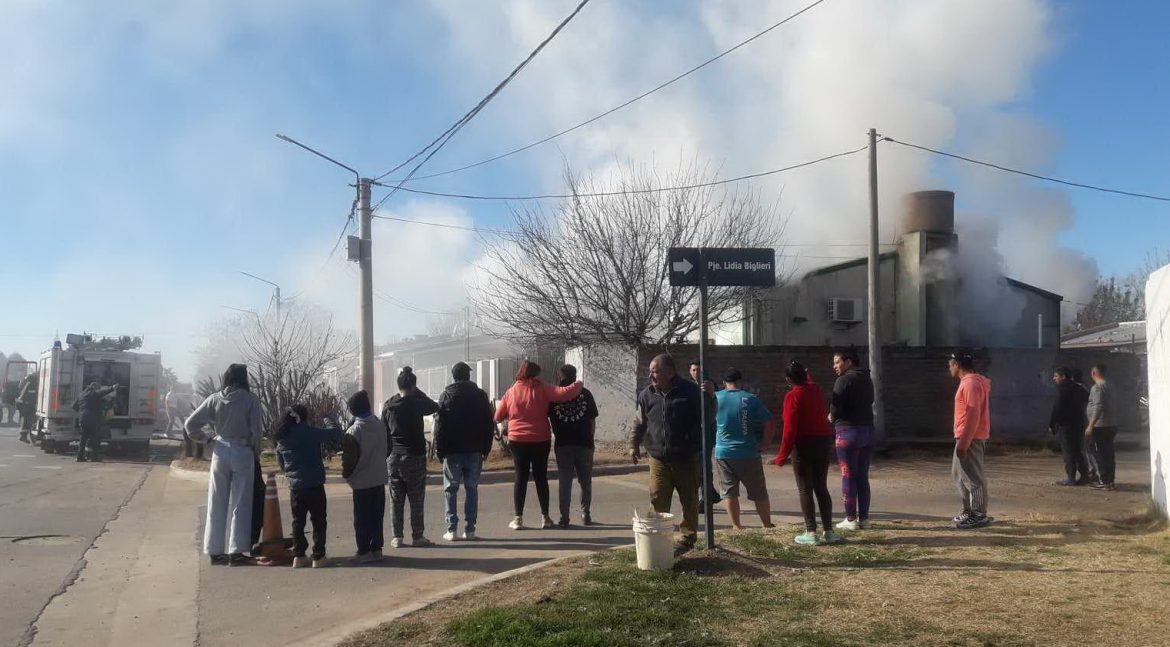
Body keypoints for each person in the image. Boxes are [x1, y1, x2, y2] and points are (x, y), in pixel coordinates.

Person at [185, 364, 263, 566]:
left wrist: (207, 439)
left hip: (220, 450)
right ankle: (236, 551)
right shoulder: (250, 400)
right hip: (242, 451)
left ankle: (214, 550)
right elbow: (256, 431)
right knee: (240, 503)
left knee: (216, 500)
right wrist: (255, 452)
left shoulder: (214, 399)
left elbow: (189, 425)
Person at [495, 360, 583, 530]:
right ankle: (545, 517)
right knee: (541, 478)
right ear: (535, 374)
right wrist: (579, 382)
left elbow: (498, 416)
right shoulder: (543, 388)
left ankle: (518, 519)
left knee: (520, 478)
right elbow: (564, 393)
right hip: (540, 439)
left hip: (517, 440)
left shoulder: (511, 391)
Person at [630, 354, 703, 554]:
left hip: (685, 457)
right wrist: (634, 445)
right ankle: (659, 537)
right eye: (651, 371)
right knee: (657, 497)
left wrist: (695, 443)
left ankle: (688, 537)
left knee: (689, 498)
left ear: (670, 372)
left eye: (655, 371)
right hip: (658, 457)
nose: (651, 375)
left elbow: (705, 418)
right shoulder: (647, 395)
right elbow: (639, 422)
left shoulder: (690, 392)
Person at [774, 361, 842, 545]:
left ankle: (811, 532)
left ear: (788, 379)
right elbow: (808, 380)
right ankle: (828, 530)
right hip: (822, 441)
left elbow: (789, 428)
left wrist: (782, 455)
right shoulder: (816, 390)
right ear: (806, 375)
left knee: (805, 488)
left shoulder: (792, 396)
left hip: (803, 443)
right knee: (821, 486)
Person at [274, 404, 343, 568]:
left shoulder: (282, 438)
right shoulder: (310, 433)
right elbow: (335, 433)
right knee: (319, 520)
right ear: (303, 417)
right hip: (314, 484)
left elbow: (281, 462)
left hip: (296, 487)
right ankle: (318, 556)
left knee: (298, 521)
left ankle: (299, 555)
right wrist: (327, 418)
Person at [434, 362, 495, 541]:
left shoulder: (446, 395)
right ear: (469, 376)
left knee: (450, 489)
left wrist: (439, 449)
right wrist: (486, 447)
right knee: (471, 488)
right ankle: (470, 529)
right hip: (475, 449)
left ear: (453, 376)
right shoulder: (480, 395)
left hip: (452, 451)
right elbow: (488, 423)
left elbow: (440, 426)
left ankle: (451, 529)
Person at [382, 367, 440, 548]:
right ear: (414, 386)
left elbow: (384, 430)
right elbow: (434, 406)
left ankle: (397, 537)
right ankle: (417, 536)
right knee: (416, 499)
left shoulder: (389, 405)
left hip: (394, 456)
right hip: (414, 456)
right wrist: (417, 391)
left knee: (395, 499)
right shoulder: (416, 404)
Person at [712, 367, 774, 530]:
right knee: (759, 492)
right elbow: (769, 421)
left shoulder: (716, 398)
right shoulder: (751, 399)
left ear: (724, 383)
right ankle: (767, 524)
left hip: (723, 452)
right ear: (740, 382)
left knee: (730, 492)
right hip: (748, 452)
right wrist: (765, 443)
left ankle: (736, 526)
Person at [829, 348, 875, 531]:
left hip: (847, 432)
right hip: (868, 432)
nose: (834, 366)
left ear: (848, 362)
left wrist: (831, 416)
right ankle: (864, 518)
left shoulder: (843, 380)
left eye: (837, 362)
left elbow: (835, 407)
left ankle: (850, 518)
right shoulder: (867, 379)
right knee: (862, 476)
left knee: (848, 475)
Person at [548, 364, 600, 528]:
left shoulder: (554, 395)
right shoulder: (585, 393)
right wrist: (591, 439)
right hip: (584, 443)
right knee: (585, 481)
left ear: (560, 375)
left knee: (565, 481)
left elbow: (548, 418)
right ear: (575, 375)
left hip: (563, 443)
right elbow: (592, 420)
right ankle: (586, 514)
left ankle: (564, 517)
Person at [342, 390, 388, 563]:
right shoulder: (380, 425)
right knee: (377, 516)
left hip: (361, 481)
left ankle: (364, 551)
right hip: (379, 478)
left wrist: (347, 476)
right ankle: (377, 548)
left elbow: (349, 460)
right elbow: (388, 448)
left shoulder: (353, 431)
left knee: (362, 518)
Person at [950, 352, 992, 529]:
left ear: (957, 364)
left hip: (971, 437)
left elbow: (973, 415)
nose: (949, 368)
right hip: (965, 436)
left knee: (974, 477)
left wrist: (964, 442)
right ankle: (968, 510)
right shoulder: (969, 383)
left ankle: (979, 513)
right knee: (959, 475)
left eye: (950, 364)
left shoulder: (971, 383)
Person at [688, 359, 721, 511]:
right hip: (692, 433)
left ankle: (705, 498)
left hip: (707, 432)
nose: (696, 373)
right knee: (698, 465)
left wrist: (712, 394)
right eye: (694, 370)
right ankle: (711, 493)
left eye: (699, 370)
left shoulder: (710, 386)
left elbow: (717, 409)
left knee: (703, 465)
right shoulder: (687, 387)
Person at [1049, 366, 1090, 486]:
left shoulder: (1061, 390)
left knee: (1068, 452)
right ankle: (1084, 475)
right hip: (1079, 423)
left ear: (1063, 377)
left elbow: (1057, 408)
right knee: (1077, 451)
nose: (1054, 378)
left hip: (1065, 425)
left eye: (1056, 376)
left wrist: (1052, 424)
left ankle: (1070, 477)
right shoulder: (1079, 388)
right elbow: (1087, 400)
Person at [1086, 363, 1118, 491]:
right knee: (1108, 452)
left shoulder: (1097, 388)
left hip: (1100, 426)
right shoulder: (1111, 386)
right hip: (1111, 424)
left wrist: (1090, 425)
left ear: (1094, 373)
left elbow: (1098, 406)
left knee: (1098, 452)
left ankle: (1103, 479)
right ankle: (1109, 480)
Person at [72, 381, 118, 462]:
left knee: (83, 438)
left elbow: (74, 407)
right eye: (98, 389)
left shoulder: (81, 394)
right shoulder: (94, 394)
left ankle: (80, 457)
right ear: (94, 388)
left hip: (83, 419)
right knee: (95, 438)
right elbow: (103, 393)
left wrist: (82, 410)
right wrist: (112, 388)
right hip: (93, 419)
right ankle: (94, 457)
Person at [1072, 369, 1099, 484]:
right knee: (1088, 447)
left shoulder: (1079, 389)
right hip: (1088, 419)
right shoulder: (1086, 387)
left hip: (1086, 420)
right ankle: (1093, 472)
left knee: (1088, 448)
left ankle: (1094, 472)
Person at [16, 371, 38, 443]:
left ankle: (24, 436)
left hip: (25, 405)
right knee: (29, 421)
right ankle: (23, 436)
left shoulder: (27, 384)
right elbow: (33, 395)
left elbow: (22, 395)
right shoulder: (32, 384)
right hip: (28, 406)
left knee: (27, 421)